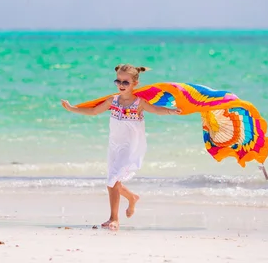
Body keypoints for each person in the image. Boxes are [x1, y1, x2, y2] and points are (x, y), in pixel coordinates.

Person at [60, 64, 181, 231]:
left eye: (126, 82)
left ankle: (114, 219)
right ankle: (132, 198)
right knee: (112, 181)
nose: (121, 85)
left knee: (112, 180)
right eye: (119, 81)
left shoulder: (139, 102)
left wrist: (171, 112)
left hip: (131, 147)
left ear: (135, 83)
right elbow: (94, 111)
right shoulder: (113, 100)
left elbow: (156, 109)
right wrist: (72, 109)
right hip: (114, 146)